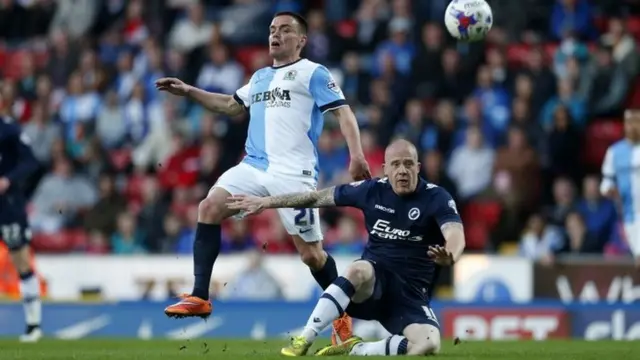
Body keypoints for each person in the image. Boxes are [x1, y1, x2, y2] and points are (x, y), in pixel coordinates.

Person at [155, 11, 371, 344]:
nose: (276, 35)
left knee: (311, 255)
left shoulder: (313, 72)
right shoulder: (258, 78)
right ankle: (200, 296)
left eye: (285, 30)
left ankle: (342, 316)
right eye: (272, 30)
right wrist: (189, 91)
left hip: (293, 173)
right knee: (209, 207)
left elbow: (343, 112)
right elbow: (230, 105)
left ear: (301, 40)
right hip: (253, 166)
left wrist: (356, 155)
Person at [227, 140, 465, 356]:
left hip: (409, 297)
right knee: (359, 269)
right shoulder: (372, 190)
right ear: (385, 168)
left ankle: (358, 349)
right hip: (372, 288)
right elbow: (314, 198)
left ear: (418, 167)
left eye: (408, 164)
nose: (402, 170)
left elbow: (455, 234)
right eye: (395, 164)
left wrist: (451, 255)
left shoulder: (437, 197)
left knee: (429, 344)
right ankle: (305, 337)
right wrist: (266, 202)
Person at [0, 113, 42, 342]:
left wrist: (8, 180)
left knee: (21, 260)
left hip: (8, 205)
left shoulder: (9, 130)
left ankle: (33, 325)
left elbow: (30, 161)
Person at [601, 109, 640, 267]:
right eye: (630, 123)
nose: (633, 126)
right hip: (629, 214)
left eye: (637, 122)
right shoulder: (614, 152)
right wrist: (610, 190)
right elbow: (606, 182)